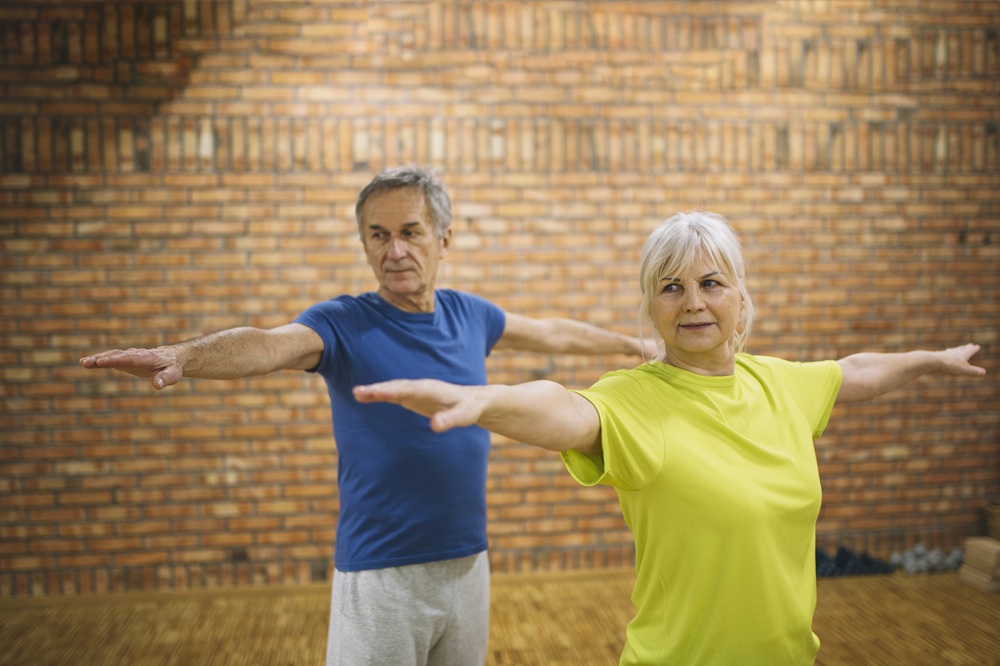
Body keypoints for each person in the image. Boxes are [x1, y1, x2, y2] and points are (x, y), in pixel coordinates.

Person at [352, 210, 987, 666]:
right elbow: (564, 410)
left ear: (740, 297)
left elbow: (855, 371)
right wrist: (488, 399)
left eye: (711, 283)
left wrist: (930, 359)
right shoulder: (636, 399)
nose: (693, 303)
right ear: (651, 309)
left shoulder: (780, 384)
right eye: (671, 287)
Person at [79, 166, 654, 666]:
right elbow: (268, 345)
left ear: (443, 239)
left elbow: (550, 331)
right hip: (381, 574)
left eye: (409, 232)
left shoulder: (470, 314)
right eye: (377, 236)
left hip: (466, 562)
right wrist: (185, 356)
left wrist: (632, 347)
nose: (394, 250)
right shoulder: (342, 322)